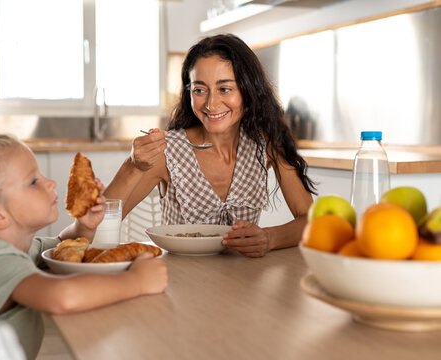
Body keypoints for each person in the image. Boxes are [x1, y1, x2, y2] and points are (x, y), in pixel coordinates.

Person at [0, 133, 168, 360]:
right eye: (33, 182)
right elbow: (62, 297)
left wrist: (85, 226)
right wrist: (137, 282)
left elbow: (63, 249)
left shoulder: (10, 250)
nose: (50, 183)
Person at [104, 34, 316, 258]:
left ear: (249, 90)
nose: (211, 104)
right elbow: (97, 225)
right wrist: (133, 165)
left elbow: (311, 219)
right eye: (199, 90)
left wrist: (269, 238)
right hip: (178, 280)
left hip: (243, 279)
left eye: (225, 89)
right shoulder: (167, 153)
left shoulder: (268, 144)